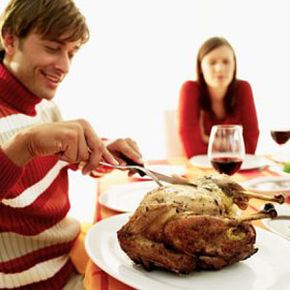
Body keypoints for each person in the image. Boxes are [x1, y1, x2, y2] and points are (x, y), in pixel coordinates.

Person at [0, 0, 143, 289]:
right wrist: (24, 145)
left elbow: (58, 159)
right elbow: (24, 149)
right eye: (53, 48)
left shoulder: (43, 107)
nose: (64, 66)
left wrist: (103, 151)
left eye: (72, 53)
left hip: (69, 262)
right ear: (11, 40)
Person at [178, 36, 259, 158]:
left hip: (235, 171)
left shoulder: (243, 88)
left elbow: (250, 147)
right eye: (212, 62)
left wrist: (208, 140)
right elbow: (194, 151)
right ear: (201, 67)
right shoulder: (189, 89)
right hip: (199, 172)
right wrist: (233, 145)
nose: (220, 68)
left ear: (234, 65)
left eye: (226, 62)